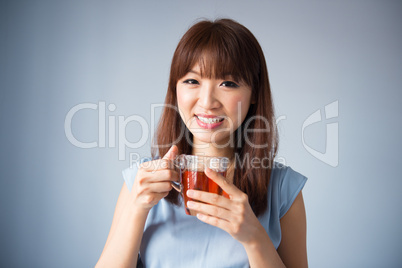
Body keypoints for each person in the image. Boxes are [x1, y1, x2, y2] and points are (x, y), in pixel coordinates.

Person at [96, 18, 308, 268]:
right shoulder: (141, 180)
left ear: (254, 94)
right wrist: (136, 209)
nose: (207, 101)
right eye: (192, 81)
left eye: (228, 83)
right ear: (175, 89)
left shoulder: (283, 189)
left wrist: (254, 238)